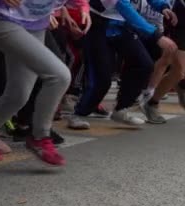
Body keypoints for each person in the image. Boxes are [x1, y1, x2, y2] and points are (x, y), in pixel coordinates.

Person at [0, 0, 72, 165]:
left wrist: (83, 6)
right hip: (0, 19)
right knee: (59, 75)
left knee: (18, 95)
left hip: (34, 25)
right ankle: (40, 137)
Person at [68, 0, 178, 129]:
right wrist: (156, 35)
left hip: (122, 25)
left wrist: (162, 6)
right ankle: (79, 113)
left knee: (144, 64)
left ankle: (121, 108)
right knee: (101, 79)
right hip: (98, 25)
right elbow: (124, 6)